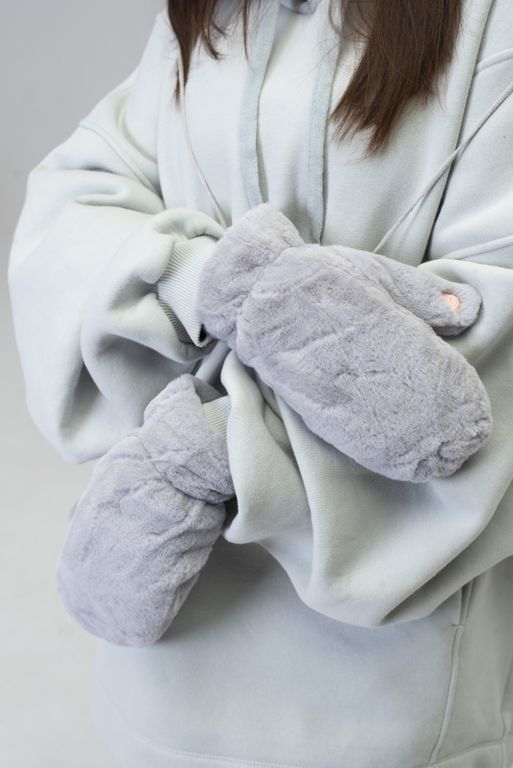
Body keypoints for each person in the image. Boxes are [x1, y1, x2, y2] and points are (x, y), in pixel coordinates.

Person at [7, 0, 513, 765]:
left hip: (381, 703)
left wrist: (204, 445)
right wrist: (204, 276)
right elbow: (79, 199)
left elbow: (477, 347)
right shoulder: (209, 12)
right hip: (165, 661)